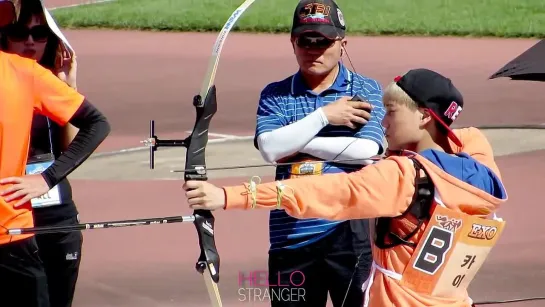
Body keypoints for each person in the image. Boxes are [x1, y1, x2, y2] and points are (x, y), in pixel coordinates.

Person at [183, 68, 508, 307]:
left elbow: (326, 192)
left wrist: (228, 196)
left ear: (424, 117)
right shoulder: (479, 166)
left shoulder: (400, 177)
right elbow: (466, 137)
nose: (383, 123)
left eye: (392, 113)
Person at [252, 0, 385, 305]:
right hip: (290, 237)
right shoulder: (275, 93)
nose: (313, 49)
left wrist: (295, 142)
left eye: (322, 41)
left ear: (342, 43)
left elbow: (367, 151)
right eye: (305, 41)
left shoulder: (364, 89)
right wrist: (325, 117)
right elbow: (270, 149)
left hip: (349, 234)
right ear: (292, 42)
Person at [0, 1, 111, 306]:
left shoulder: (36, 78)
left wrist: (71, 85)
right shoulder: (16, 75)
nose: (31, 41)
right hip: (14, 217)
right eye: (21, 33)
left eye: (39, 33)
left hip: (50, 213)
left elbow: (83, 133)